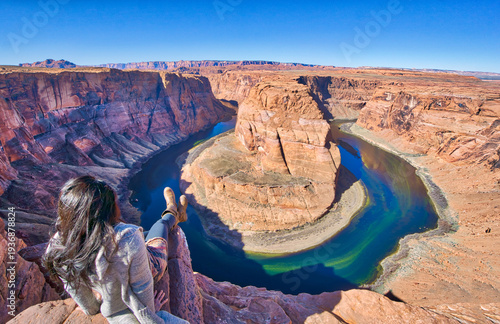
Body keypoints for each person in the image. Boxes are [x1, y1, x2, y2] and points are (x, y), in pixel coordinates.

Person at [43, 175, 189, 323]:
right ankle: (173, 213)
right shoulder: (128, 237)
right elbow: (142, 286)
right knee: (161, 226)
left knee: (144, 234)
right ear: (105, 212)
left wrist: (91, 308)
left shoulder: (58, 247)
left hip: (123, 263)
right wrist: (151, 312)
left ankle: (174, 212)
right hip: (151, 265)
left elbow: (79, 293)